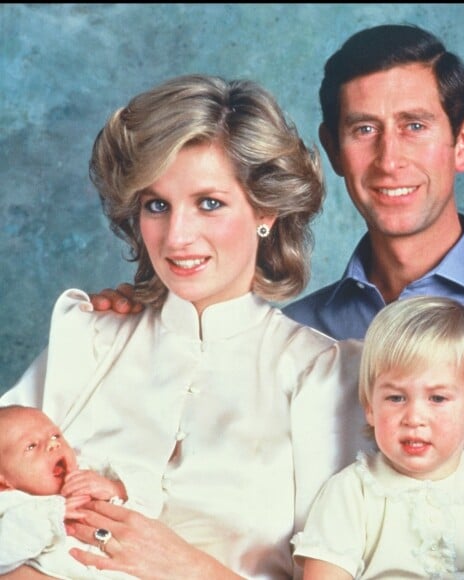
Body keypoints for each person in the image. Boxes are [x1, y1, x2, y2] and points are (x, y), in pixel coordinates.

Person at [90, 24, 464, 578]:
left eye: (414, 126)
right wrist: (141, 318)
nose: (389, 159)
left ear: (463, 142)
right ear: (334, 149)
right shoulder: (298, 338)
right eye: (364, 128)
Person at [0, 74, 370, 579]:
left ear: (265, 209)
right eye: (157, 205)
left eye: (209, 203)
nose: (177, 237)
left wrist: (184, 567)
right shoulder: (88, 336)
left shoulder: (325, 376)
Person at [291, 296, 464, 579]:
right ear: (370, 409)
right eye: (396, 397)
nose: (414, 418)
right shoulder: (353, 492)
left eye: (437, 398)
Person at [0, 404, 158, 579]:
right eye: (31, 446)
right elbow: (5, 551)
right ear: (3, 482)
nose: (54, 444)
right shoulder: (11, 504)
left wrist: (117, 488)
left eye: (55, 435)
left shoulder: (91, 471)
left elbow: (155, 499)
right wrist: (53, 515)